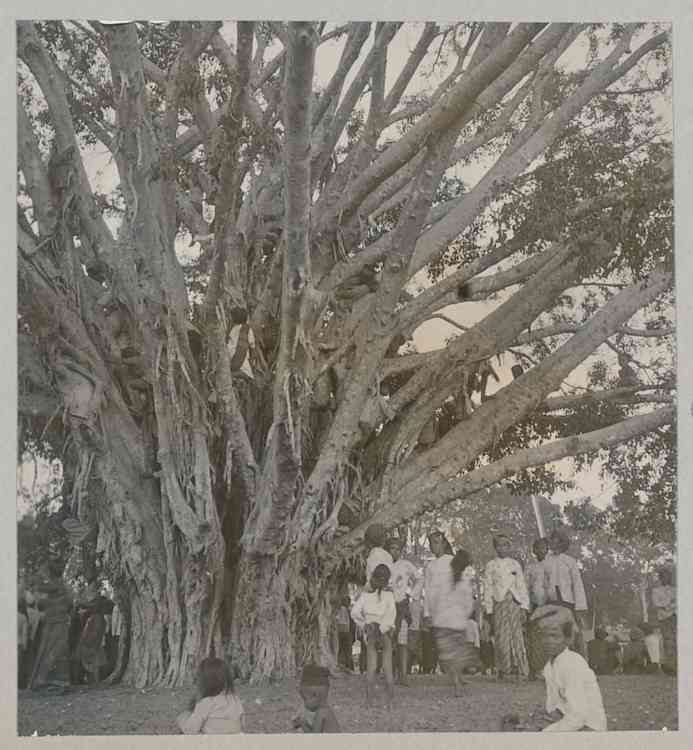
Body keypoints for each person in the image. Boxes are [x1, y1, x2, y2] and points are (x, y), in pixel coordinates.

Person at [425, 546, 480, 695]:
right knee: (458, 652)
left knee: (450, 654)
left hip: (442, 622)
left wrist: (434, 613)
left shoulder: (443, 581)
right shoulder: (464, 583)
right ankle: (458, 681)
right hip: (457, 623)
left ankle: (457, 680)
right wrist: (463, 616)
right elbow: (469, 605)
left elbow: (433, 598)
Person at [540, 619, 607, 731]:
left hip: (589, 727)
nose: (548, 641)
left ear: (568, 639)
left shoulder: (572, 664)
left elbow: (578, 716)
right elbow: (554, 705)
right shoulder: (549, 666)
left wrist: (547, 731)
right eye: (544, 636)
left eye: (555, 636)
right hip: (567, 720)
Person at [482, 533, 530, 680]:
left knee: (517, 637)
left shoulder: (515, 564)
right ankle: (504, 670)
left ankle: (522, 670)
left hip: (514, 602)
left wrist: (524, 606)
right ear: (495, 548)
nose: (503, 548)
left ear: (509, 547)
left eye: (505, 545)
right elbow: (488, 587)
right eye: (499, 545)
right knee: (501, 637)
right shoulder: (491, 565)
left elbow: (521, 585)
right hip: (499, 602)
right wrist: (489, 609)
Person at [351, 564, 396, 706]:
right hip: (385, 633)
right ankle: (390, 700)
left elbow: (354, 613)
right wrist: (383, 628)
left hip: (371, 633)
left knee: (371, 666)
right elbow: (391, 616)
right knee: (387, 666)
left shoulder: (364, 596)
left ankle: (369, 700)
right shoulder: (389, 595)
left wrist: (364, 624)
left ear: (373, 578)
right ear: (387, 580)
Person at [29, 561, 73, 692]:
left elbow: (44, 595)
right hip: (55, 621)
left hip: (57, 621)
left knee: (55, 650)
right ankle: (48, 680)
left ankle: (52, 680)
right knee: (51, 649)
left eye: (46, 572)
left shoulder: (57, 585)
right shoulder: (56, 586)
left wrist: (40, 580)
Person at [544, 528, 588, 654]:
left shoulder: (570, 561)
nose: (554, 545)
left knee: (569, 630)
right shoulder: (545, 560)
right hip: (550, 601)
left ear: (563, 544)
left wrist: (580, 607)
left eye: (558, 542)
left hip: (566, 601)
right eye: (552, 541)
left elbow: (577, 584)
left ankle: (573, 657)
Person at [386, 537, 422, 685]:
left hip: (402, 606)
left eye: (397, 549)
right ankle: (390, 673)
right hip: (386, 607)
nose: (394, 551)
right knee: (388, 641)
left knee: (402, 642)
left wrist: (412, 594)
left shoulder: (406, 565)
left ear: (401, 551)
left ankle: (403, 674)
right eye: (391, 548)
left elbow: (419, 579)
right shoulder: (382, 564)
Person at [177, 657, 244, 734]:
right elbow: (242, 724)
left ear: (204, 682)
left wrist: (182, 719)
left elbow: (190, 730)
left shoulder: (206, 703)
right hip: (234, 742)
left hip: (211, 744)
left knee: (183, 722)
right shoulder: (236, 701)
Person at [525, 537, 550, 678]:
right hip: (535, 606)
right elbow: (526, 587)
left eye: (543, 547)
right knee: (534, 638)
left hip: (549, 605)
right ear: (533, 550)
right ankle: (534, 670)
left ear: (547, 549)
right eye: (538, 548)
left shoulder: (552, 566)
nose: (541, 550)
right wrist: (527, 607)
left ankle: (549, 670)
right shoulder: (530, 567)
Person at [291, 664, 340, 732]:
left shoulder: (321, 713)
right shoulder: (324, 710)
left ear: (315, 696)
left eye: (305, 699)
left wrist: (302, 723)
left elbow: (314, 738)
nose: (304, 704)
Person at [76, 594, 110, 684]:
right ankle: (94, 682)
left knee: (93, 665)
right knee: (93, 665)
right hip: (94, 645)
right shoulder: (96, 617)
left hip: (92, 645)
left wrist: (87, 642)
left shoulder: (97, 618)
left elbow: (94, 633)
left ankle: (94, 682)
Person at [651, 567, 676, 673]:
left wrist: (668, 605)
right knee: (668, 640)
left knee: (677, 640)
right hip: (664, 618)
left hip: (675, 616)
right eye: (663, 577)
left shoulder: (675, 589)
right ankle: (670, 666)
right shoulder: (656, 590)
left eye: (668, 576)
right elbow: (656, 603)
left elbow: (679, 601)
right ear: (661, 578)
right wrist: (669, 604)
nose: (666, 578)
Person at [335, 596, 354, 672]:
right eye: (348, 602)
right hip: (345, 632)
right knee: (348, 650)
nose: (349, 603)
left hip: (341, 632)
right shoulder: (346, 610)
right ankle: (348, 667)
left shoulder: (339, 610)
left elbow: (337, 619)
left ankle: (343, 666)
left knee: (341, 649)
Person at [18, 599, 30, 689]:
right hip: (19, 644)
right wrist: (25, 646)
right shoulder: (22, 617)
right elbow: (24, 633)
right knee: (19, 665)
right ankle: (19, 684)